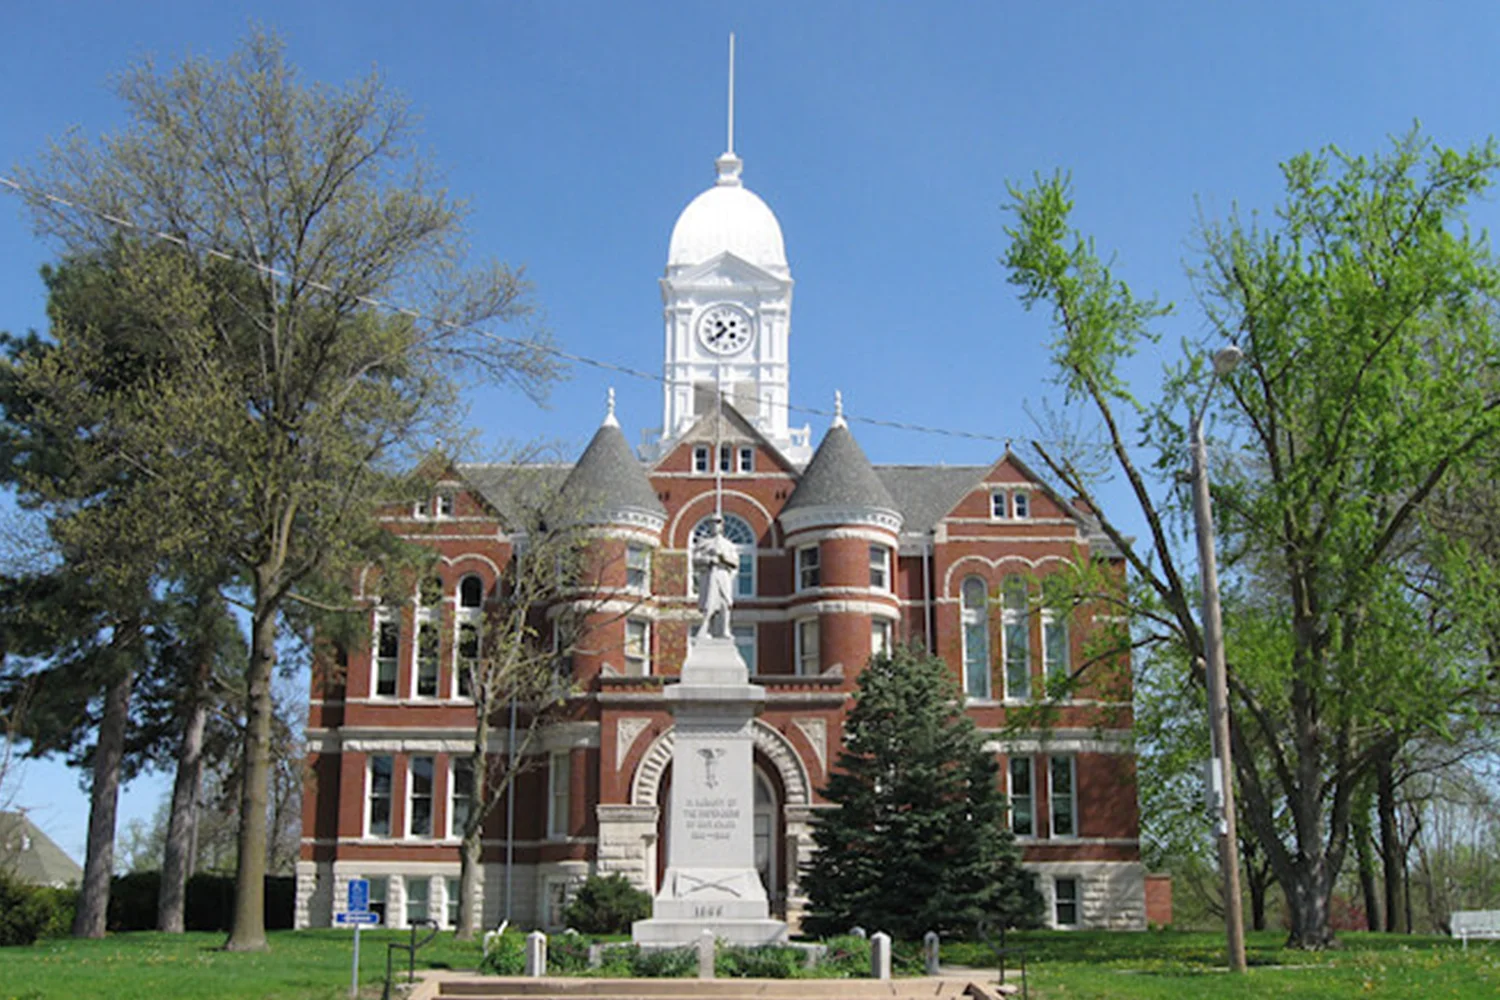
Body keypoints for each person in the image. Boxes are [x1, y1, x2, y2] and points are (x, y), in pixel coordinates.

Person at [694, 516, 739, 640]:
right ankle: (705, 629)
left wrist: (723, 557)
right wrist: (708, 559)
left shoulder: (728, 545)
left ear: (722, 526)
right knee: (709, 603)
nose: (715, 526)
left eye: (718, 524)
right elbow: (695, 560)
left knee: (725, 603)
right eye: (712, 524)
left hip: (723, 574)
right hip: (709, 575)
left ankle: (724, 630)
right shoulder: (703, 543)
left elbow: (735, 562)